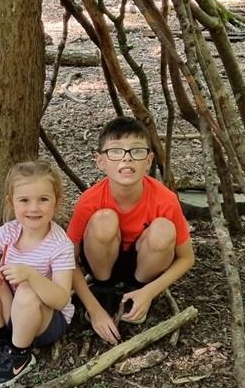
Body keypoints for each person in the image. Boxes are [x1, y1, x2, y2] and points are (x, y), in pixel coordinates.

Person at [67, 116, 194, 345]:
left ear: (149, 160)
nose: (126, 158)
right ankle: (104, 292)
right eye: (116, 151)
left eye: (136, 151)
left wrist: (151, 291)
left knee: (164, 229)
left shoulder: (165, 199)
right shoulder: (89, 201)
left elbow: (186, 258)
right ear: (100, 161)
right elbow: (67, 258)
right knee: (103, 220)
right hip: (101, 264)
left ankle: (138, 293)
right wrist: (94, 310)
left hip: (143, 268)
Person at [0, 160, 75, 388]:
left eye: (43, 200)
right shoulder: (10, 232)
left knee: (28, 291)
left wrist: (31, 276)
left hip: (46, 322)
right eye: (24, 200)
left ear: (56, 203)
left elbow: (61, 299)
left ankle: (20, 353)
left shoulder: (60, 245)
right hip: (14, 311)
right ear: (12, 203)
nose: (33, 208)